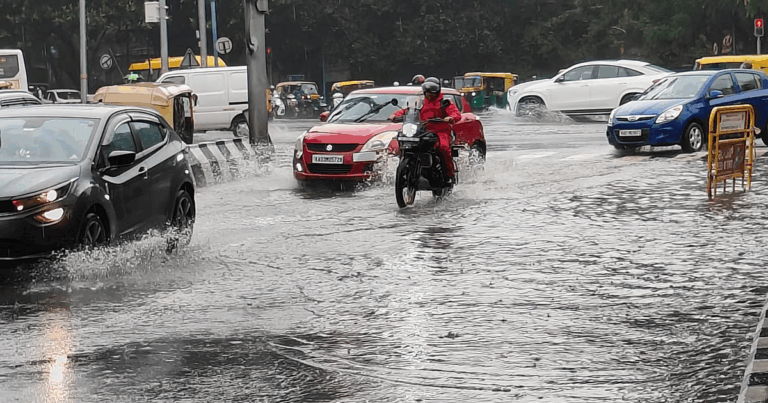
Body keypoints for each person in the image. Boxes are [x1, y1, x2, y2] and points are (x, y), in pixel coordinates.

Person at [389, 78, 462, 183]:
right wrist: (395, 115)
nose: (429, 94)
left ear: (437, 92)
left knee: (443, 148)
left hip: (441, 131)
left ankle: (448, 176)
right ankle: (409, 168)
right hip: (423, 130)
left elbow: (456, 114)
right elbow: (408, 110)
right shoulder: (421, 102)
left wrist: (450, 118)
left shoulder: (444, 102)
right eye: (427, 92)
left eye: (431, 92)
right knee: (404, 142)